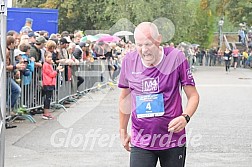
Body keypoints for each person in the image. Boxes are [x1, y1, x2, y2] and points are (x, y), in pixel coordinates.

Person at [118, 22, 199, 167]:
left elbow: (193, 95)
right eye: (139, 45)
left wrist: (185, 117)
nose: (144, 50)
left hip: (172, 139)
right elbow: (125, 99)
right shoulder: (129, 61)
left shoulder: (176, 58)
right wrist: (123, 130)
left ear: (159, 39)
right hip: (141, 140)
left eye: (148, 44)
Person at [42, 51, 64, 120]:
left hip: (50, 83)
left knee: (49, 98)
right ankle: (46, 113)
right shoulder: (46, 65)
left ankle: (47, 112)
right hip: (47, 83)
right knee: (47, 98)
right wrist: (57, 70)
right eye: (48, 57)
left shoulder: (49, 64)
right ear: (45, 58)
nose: (50, 58)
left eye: (50, 57)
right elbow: (51, 74)